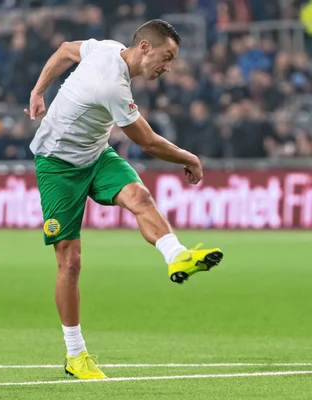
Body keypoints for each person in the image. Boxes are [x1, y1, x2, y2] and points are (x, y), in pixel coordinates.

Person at [25, 19, 224, 380]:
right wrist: (190, 158)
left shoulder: (105, 47)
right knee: (70, 262)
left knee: (140, 196)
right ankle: (75, 354)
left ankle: (177, 257)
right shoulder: (112, 84)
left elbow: (66, 48)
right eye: (166, 57)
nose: (168, 67)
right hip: (58, 165)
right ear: (145, 47)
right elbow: (147, 142)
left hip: (96, 155)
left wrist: (39, 89)